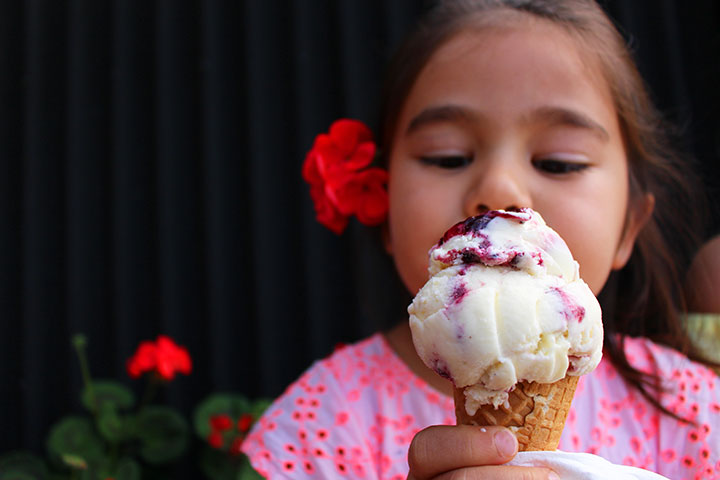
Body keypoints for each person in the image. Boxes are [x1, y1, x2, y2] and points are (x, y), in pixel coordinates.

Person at [243, 1, 719, 478]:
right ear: (383, 207)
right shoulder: (319, 425)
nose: (500, 190)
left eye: (559, 162)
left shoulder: (694, 415)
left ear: (630, 226)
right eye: (447, 157)